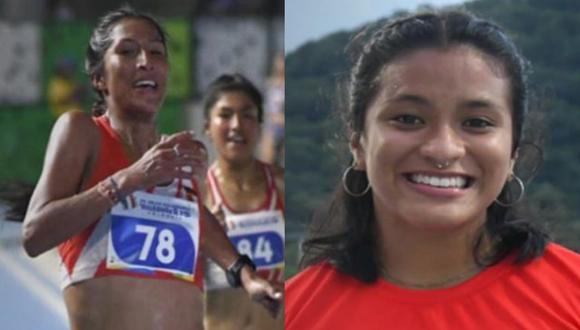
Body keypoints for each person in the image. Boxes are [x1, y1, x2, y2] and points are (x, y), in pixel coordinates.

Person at [285, 10, 580, 329]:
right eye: (409, 119)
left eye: (477, 123)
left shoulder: (571, 298)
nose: (443, 149)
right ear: (358, 143)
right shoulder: (294, 313)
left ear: (512, 153)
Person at [21, 7, 281, 330]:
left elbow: (196, 215)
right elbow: (33, 234)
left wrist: (246, 274)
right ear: (99, 78)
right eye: (128, 51)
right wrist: (130, 179)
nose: (146, 60)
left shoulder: (175, 157)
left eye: (156, 52)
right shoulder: (82, 132)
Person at [202, 74, 284, 330]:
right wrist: (199, 242)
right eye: (225, 115)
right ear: (207, 126)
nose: (236, 125)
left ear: (260, 125)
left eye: (247, 115)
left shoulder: (283, 186)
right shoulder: (195, 195)